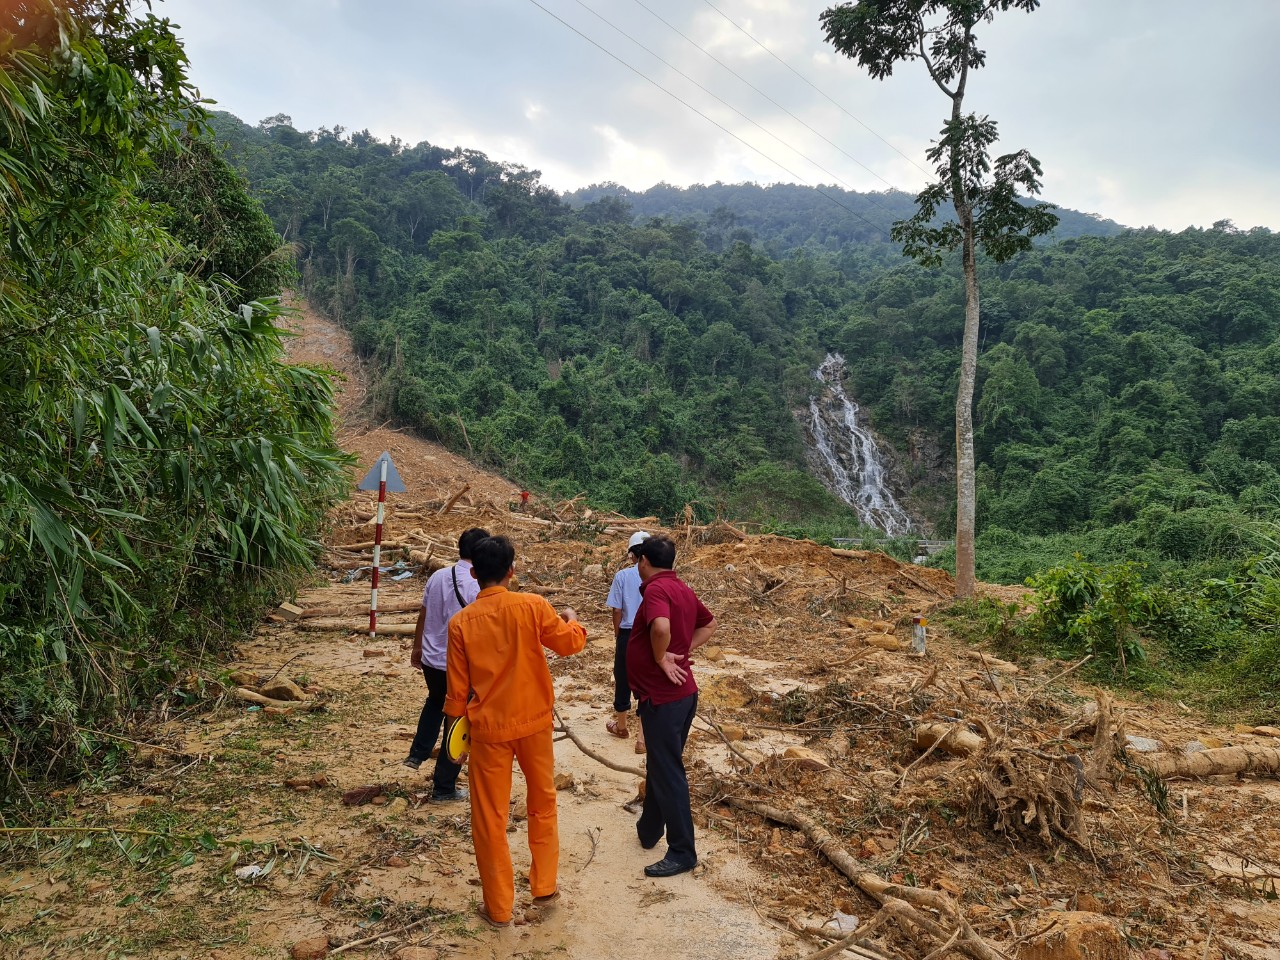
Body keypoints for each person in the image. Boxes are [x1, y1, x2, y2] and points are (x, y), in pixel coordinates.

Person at [444, 535, 587, 927]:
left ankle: (499, 908)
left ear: (474, 573)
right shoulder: (533, 605)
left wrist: (453, 742)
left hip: (487, 729)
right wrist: (574, 620)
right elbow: (569, 644)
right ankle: (544, 886)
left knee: (489, 817)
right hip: (534, 724)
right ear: (512, 571)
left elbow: (456, 694)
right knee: (543, 801)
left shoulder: (460, 624)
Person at [626, 534, 716, 879]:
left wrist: (661, 657)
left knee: (669, 772)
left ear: (644, 562)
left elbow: (660, 626)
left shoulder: (656, 590)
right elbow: (710, 624)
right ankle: (649, 829)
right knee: (662, 766)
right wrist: (683, 650)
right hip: (682, 696)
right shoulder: (683, 588)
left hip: (664, 699)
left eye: (638, 562)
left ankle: (682, 851)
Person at [403, 527, 489, 802]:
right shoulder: (478, 584)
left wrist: (417, 646)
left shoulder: (438, 576)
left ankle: (417, 754)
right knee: (458, 721)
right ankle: (444, 787)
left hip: (432, 658)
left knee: (434, 701)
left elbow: (424, 613)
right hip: (459, 664)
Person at [604, 531, 649, 753]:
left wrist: (618, 635)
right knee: (645, 683)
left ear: (632, 554)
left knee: (622, 678)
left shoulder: (622, 576)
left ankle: (621, 727)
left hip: (627, 633)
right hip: (649, 635)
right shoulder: (655, 577)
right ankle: (642, 737)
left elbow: (617, 610)